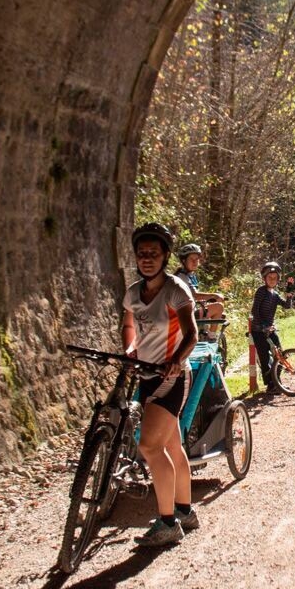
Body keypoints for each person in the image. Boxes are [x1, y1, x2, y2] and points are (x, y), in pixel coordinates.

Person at [121, 222, 200, 546]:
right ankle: (184, 511)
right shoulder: (132, 293)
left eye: (153, 253)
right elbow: (128, 325)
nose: (147, 259)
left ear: (166, 255)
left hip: (171, 378)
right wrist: (129, 347)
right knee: (170, 447)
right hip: (145, 375)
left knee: (150, 446)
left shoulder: (175, 290)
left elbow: (192, 334)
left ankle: (167, 523)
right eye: (142, 254)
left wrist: (175, 361)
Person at [249, 261, 295, 392]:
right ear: (264, 278)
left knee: (280, 354)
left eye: (275, 278)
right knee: (264, 359)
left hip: (269, 329)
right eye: (270, 278)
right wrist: (262, 326)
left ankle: (277, 382)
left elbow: (287, 306)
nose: (273, 280)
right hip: (258, 330)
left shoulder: (274, 294)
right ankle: (270, 386)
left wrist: (289, 293)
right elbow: (255, 311)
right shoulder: (261, 292)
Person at [174, 243, 225, 332]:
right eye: (191, 259)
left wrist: (205, 299)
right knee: (218, 307)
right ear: (184, 261)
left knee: (219, 313)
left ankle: (205, 335)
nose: (195, 262)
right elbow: (195, 295)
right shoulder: (182, 276)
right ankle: (211, 337)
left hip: (191, 311)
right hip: (184, 316)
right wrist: (214, 295)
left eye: (197, 259)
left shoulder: (190, 275)